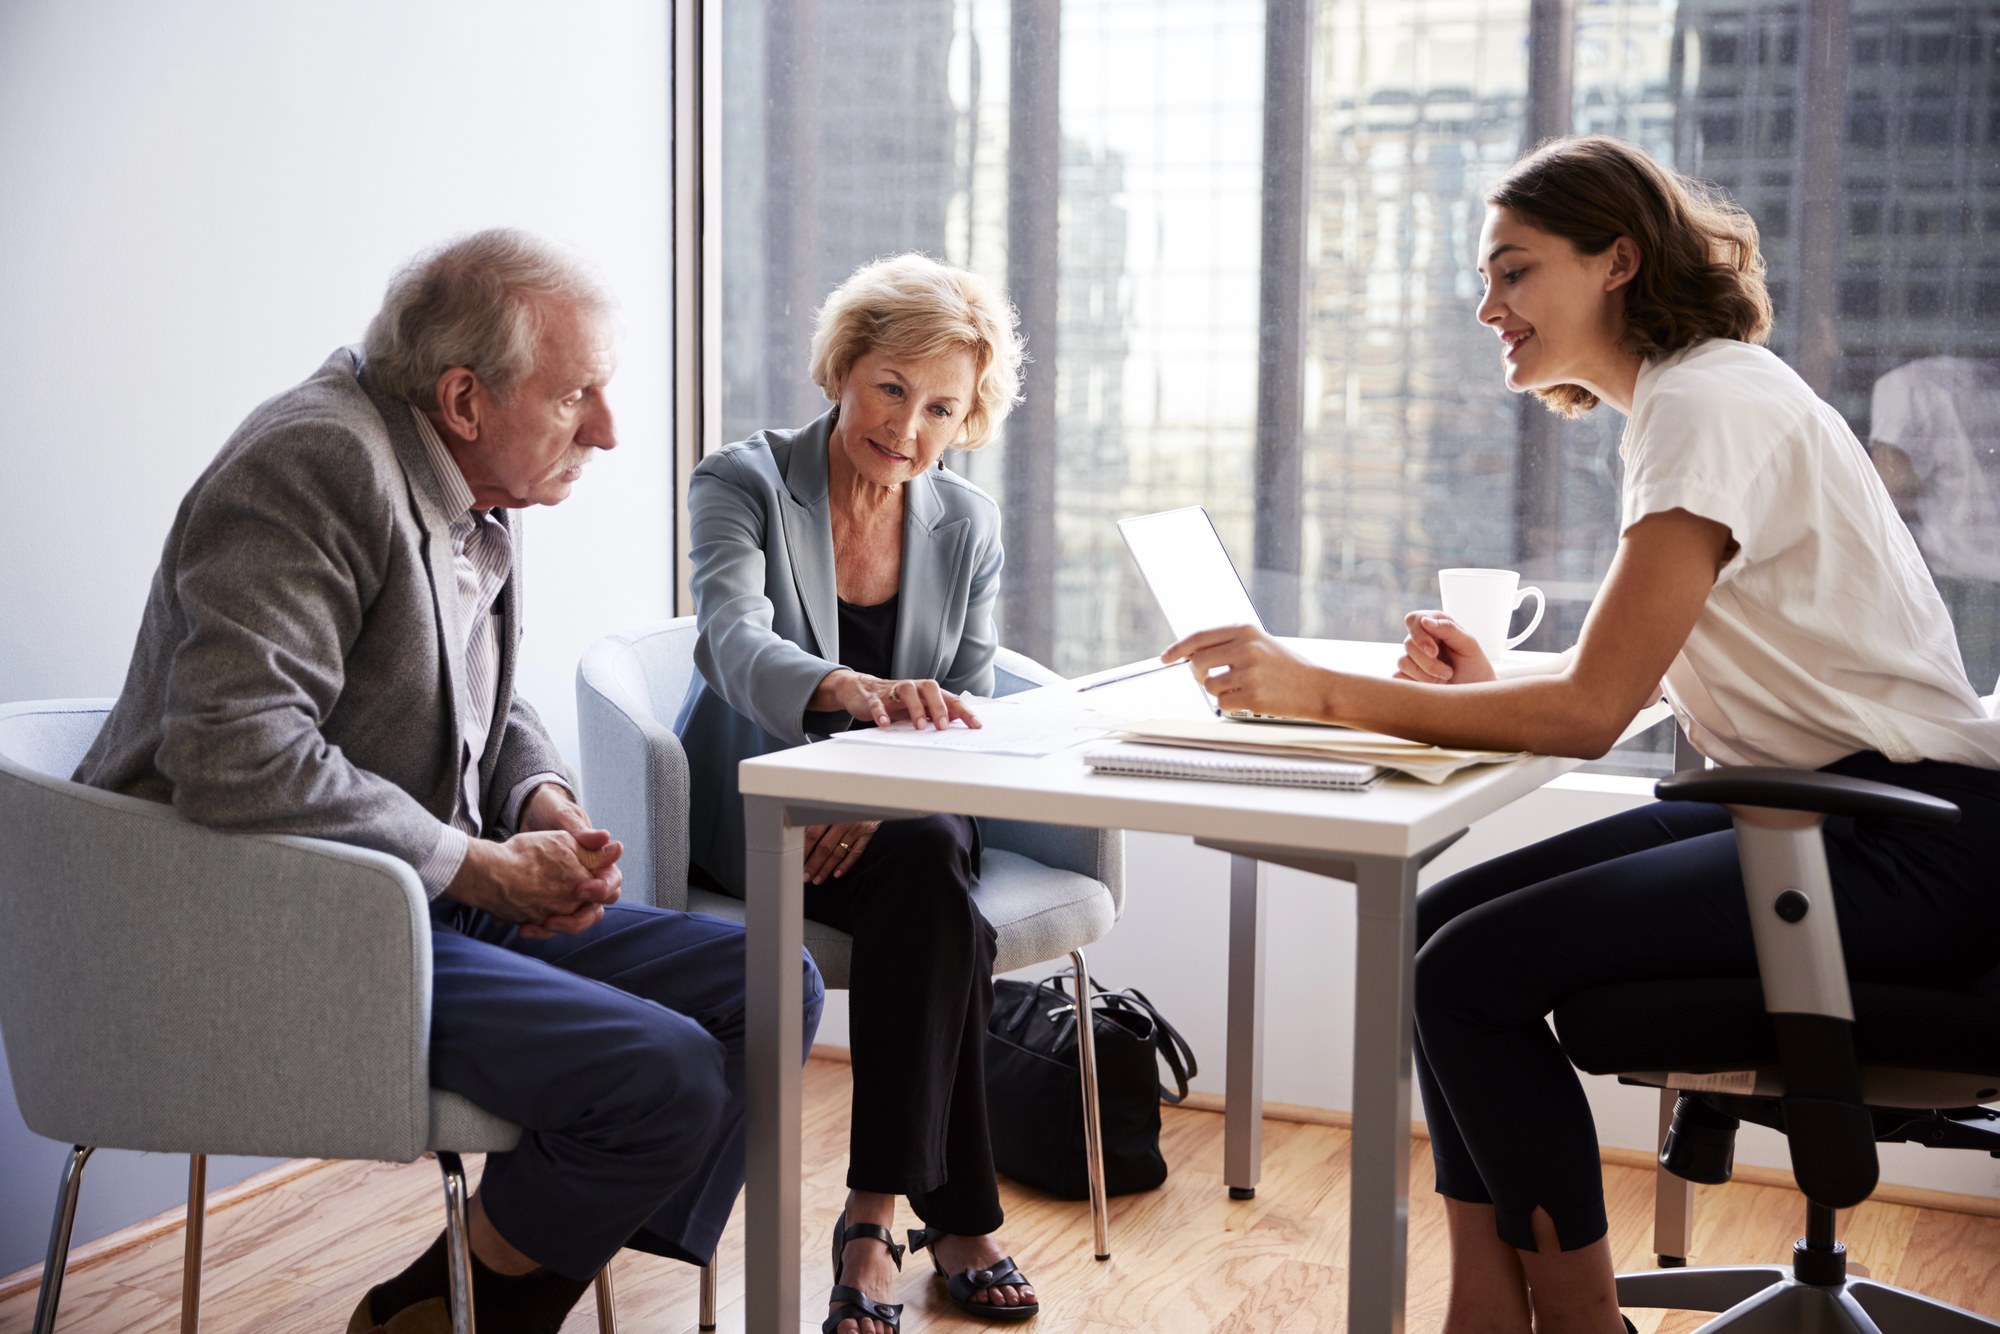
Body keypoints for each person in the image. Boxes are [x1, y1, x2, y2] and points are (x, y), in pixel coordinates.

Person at [1159, 137, 2000, 1334]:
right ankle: (1486, 1305)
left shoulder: (1704, 401)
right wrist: (1502, 676)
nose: (1485, 305)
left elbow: (1591, 714)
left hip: (1894, 840)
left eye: (1513, 271)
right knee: (1434, 923)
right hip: (1826, 812)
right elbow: (1654, 659)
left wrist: (1320, 692)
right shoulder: (1697, 394)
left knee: (1464, 971)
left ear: (1617, 259)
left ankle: (1571, 1318)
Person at [75, 229, 824, 1334]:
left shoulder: (464, 482)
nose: (608, 430)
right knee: (663, 1075)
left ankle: (459, 1291)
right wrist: (476, 860)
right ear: (466, 398)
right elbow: (234, 745)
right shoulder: (315, 464)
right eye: (578, 396)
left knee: (774, 978)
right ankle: (472, 1302)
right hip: (268, 924)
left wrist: (539, 803)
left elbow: (482, 699)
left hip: (413, 905)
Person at [676, 253, 1036, 1334]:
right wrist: (844, 696)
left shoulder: (964, 523)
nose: (908, 425)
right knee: (942, 902)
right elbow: (730, 641)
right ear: (843, 367)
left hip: (909, 808)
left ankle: (872, 1215)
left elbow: (967, 704)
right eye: (891, 387)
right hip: (767, 804)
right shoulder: (741, 481)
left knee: (924, 860)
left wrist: (875, 788)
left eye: (942, 406)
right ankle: (958, 1217)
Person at [1867, 356, 2000, 695]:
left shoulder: (1906, 384)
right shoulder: (1984, 375)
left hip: (1962, 592)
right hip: (1979, 586)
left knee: (1962, 723)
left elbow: (1889, 497)